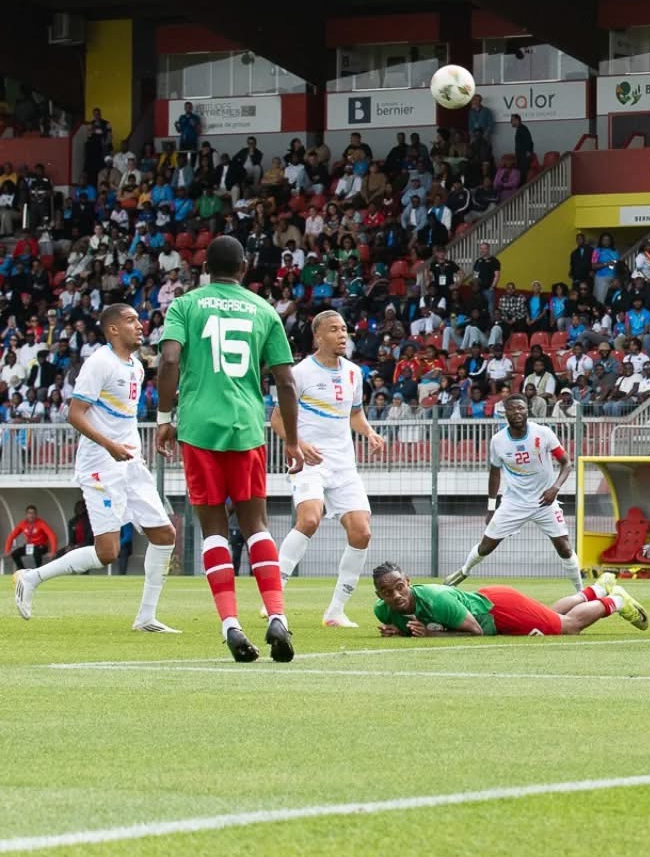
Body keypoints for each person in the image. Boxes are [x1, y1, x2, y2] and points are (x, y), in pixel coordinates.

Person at [155, 234, 316, 663]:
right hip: (246, 427)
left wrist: (163, 419)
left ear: (205, 268)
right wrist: (293, 441)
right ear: (244, 267)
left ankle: (230, 624)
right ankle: (277, 615)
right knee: (256, 525)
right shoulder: (264, 310)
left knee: (212, 530)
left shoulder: (185, 305)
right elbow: (285, 381)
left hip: (198, 428)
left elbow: (169, 360)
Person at [12, 305, 179, 632]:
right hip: (101, 464)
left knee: (164, 534)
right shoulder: (99, 363)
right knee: (108, 552)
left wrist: (137, 447)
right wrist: (110, 445)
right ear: (113, 329)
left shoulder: (136, 366)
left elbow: (124, 418)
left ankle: (146, 617)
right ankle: (31, 578)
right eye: (131, 320)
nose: (139, 325)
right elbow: (75, 414)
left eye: (138, 319)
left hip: (129, 462)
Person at [273, 311, 387, 628]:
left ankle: (335, 612)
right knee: (310, 518)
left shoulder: (353, 373)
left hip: (343, 463)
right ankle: (274, 595)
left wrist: (369, 432)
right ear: (318, 336)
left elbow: (355, 414)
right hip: (309, 460)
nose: (342, 335)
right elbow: (277, 420)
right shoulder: (300, 373)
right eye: (334, 330)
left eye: (345, 329)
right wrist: (298, 444)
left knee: (362, 532)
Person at [444, 394, 584, 593]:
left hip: (544, 501)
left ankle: (581, 592)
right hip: (513, 503)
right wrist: (491, 507)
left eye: (521, 408)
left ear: (527, 410)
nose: (517, 412)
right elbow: (494, 473)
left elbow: (566, 463)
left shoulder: (543, 433)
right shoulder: (498, 441)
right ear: (505, 412)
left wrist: (555, 488)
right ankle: (463, 572)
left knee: (565, 547)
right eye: (513, 409)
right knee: (486, 546)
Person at [374, 562, 647, 638]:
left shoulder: (436, 597)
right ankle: (596, 592)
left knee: (567, 626)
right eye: (388, 593)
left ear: (408, 581)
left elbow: (475, 631)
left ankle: (616, 601)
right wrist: (400, 632)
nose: (396, 596)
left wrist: (428, 637)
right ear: (379, 596)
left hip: (498, 610)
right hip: (491, 603)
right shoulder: (383, 612)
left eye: (400, 587)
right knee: (547, 615)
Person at [6, 506, 58, 573]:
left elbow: (52, 536)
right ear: (26, 514)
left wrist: (53, 551)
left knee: (36, 552)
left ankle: (38, 571)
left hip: (41, 546)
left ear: (36, 515)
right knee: (15, 554)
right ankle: (22, 571)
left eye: (33, 513)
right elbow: (11, 536)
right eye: (29, 513)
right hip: (29, 547)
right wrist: (7, 550)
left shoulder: (41, 523)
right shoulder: (22, 524)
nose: (31, 515)